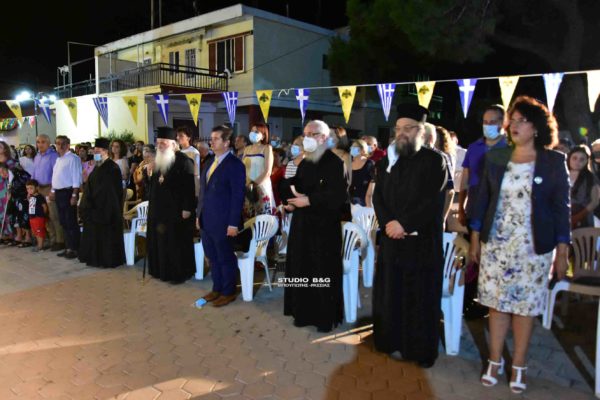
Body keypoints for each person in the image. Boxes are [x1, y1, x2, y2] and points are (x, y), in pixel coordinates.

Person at [470, 96, 570, 394]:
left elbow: (561, 209)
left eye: (522, 121)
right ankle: (495, 360)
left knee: (524, 310)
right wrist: (475, 238)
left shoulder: (553, 161)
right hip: (497, 245)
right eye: (511, 120)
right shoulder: (496, 157)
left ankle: (520, 365)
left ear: (537, 127)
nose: (514, 126)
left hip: (533, 248)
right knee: (497, 306)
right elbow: (482, 201)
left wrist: (563, 251)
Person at [372, 103, 447, 368]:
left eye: (408, 128)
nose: (401, 133)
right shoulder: (387, 161)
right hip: (392, 242)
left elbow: (432, 202)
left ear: (421, 131)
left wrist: (403, 224)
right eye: (398, 128)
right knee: (391, 294)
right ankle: (389, 341)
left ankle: (419, 351)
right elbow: (378, 197)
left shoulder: (435, 161)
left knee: (420, 299)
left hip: (421, 245)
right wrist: (388, 223)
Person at [281, 120, 347, 332]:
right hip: (302, 225)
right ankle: (301, 312)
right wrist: (290, 203)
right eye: (305, 134)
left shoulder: (335, 163)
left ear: (324, 138)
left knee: (320, 270)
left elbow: (337, 196)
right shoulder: (306, 161)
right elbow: (298, 187)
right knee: (301, 266)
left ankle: (322, 318)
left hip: (323, 229)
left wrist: (309, 201)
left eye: (312, 134)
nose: (306, 138)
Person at [457, 105, 508, 319]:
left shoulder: (510, 148)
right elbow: (465, 179)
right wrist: (461, 207)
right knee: (474, 258)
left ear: (503, 123)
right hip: (475, 210)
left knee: (495, 262)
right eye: (485, 122)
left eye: (493, 121)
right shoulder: (474, 147)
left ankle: (493, 304)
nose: (488, 126)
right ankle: (467, 302)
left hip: (499, 215)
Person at [197, 126, 246, 307]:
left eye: (216, 138)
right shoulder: (210, 162)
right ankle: (217, 288)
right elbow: (203, 192)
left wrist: (233, 223)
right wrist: (198, 215)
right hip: (206, 219)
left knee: (225, 257)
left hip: (223, 220)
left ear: (226, 142)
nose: (212, 141)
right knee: (212, 256)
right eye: (211, 138)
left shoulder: (235, 165)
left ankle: (228, 291)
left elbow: (237, 196)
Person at [147, 127, 196, 283]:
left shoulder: (184, 161)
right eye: (158, 143)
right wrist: (149, 174)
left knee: (175, 242)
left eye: (164, 143)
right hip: (159, 210)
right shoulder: (158, 161)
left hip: (176, 211)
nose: (160, 146)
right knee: (160, 241)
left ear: (174, 144)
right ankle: (160, 271)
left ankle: (177, 274)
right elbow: (155, 187)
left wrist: (187, 208)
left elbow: (189, 188)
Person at [78, 138, 126, 268]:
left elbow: (110, 192)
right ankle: (95, 258)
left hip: (106, 209)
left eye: (97, 151)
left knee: (106, 236)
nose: (95, 153)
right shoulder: (98, 166)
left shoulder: (112, 168)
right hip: (94, 208)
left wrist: (98, 204)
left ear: (105, 151)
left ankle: (106, 260)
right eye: (94, 150)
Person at [51, 136, 82, 259]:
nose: (60, 146)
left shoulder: (73, 158)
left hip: (68, 192)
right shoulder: (59, 159)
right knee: (63, 221)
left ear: (68, 145)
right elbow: (55, 176)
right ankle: (68, 247)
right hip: (59, 193)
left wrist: (74, 195)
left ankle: (74, 248)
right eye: (57, 143)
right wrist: (53, 190)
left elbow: (76, 177)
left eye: (62, 143)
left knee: (71, 221)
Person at [32, 134, 63, 251]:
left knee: (53, 215)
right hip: (38, 189)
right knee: (43, 216)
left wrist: (53, 190)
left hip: (49, 188)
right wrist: (32, 189)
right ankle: (51, 239)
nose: (40, 144)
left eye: (43, 142)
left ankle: (60, 241)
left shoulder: (53, 156)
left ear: (49, 143)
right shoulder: (37, 156)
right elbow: (34, 173)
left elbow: (57, 174)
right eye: (38, 142)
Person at [243, 123, 275, 218]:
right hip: (247, 186)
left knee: (262, 217)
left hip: (261, 186)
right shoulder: (247, 149)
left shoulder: (267, 148)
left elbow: (268, 171)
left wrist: (254, 184)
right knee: (248, 217)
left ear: (263, 136)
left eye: (256, 131)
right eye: (252, 131)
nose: (253, 133)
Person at [567, 145, 600, 229]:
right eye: (574, 158)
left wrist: (577, 217)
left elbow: (594, 202)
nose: (577, 162)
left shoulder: (591, 178)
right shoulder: (561, 176)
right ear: (569, 158)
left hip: (584, 220)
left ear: (586, 161)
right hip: (563, 217)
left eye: (582, 159)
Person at [349, 139, 375, 207]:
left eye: (354, 147)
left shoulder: (369, 164)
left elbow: (372, 184)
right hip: (351, 202)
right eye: (351, 147)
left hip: (364, 202)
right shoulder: (349, 164)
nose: (351, 149)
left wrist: (369, 205)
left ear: (362, 150)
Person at [176, 126, 201, 198]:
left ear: (188, 138)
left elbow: (196, 173)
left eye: (181, 136)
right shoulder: (177, 152)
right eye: (177, 135)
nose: (178, 138)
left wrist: (196, 191)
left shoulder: (194, 152)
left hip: (189, 185)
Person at [26, 179, 48, 252]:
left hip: (38, 217)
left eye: (31, 188)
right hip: (32, 217)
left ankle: (40, 246)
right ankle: (39, 245)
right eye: (27, 189)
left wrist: (43, 215)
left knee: (39, 232)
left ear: (37, 188)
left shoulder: (39, 197)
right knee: (35, 232)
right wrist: (28, 198)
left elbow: (44, 206)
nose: (29, 190)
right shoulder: (31, 197)